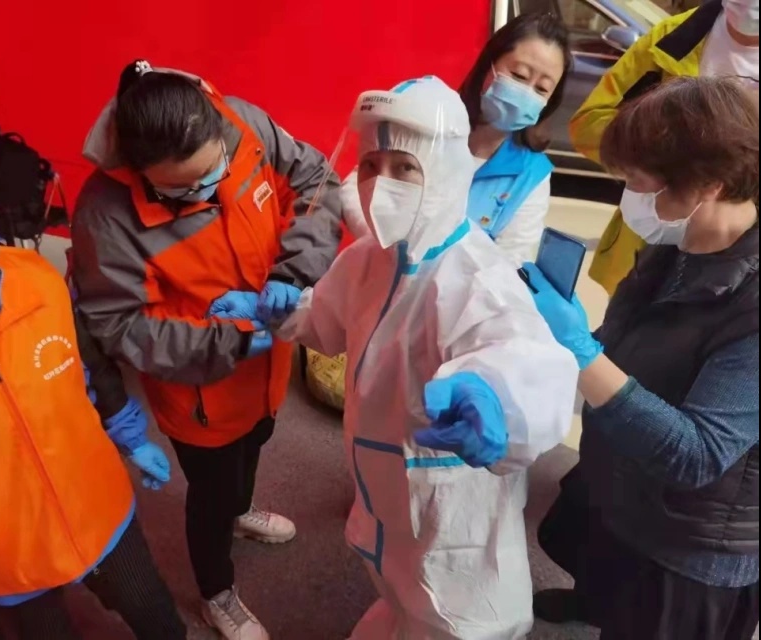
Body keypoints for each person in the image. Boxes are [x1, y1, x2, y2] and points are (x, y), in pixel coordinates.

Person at [272, 76, 578, 639]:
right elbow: (329, 322)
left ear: (445, 170)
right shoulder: (371, 258)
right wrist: (284, 310)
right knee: (395, 578)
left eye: (405, 167)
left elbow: (522, 355)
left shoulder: (476, 272)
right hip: (381, 478)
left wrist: (495, 398)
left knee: (457, 613)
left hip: (448, 496)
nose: (382, 183)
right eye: (371, 165)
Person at [71, 60, 342, 640]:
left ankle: (241, 511)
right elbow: (119, 325)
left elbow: (318, 180)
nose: (210, 189)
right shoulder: (104, 213)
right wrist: (231, 340)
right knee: (211, 492)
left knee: (258, 442)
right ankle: (216, 591)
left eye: (214, 170)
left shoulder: (242, 122)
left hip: (267, 366)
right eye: (184, 188)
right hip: (200, 390)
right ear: (139, 171)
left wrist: (294, 271)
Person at [0, 134, 187, 639]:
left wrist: (130, 434)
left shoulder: (33, 278)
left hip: (95, 501)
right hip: (2, 546)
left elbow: (87, 361)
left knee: (158, 619)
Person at [526, 77, 759, 640]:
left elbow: (696, 455)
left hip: (692, 547)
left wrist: (581, 351)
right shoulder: (678, 245)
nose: (627, 196)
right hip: (630, 488)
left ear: (709, 184)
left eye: (637, 182)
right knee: (611, 593)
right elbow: (627, 343)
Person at [340, 13, 571, 266]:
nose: (526, 92)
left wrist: (428, 267)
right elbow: (357, 183)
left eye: (541, 89)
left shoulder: (532, 175)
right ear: (489, 65)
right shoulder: (433, 118)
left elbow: (510, 262)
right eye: (519, 75)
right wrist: (383, 241)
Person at [573, 0, 760, 295]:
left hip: (739, 260)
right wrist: (665, 151)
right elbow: (589, 123)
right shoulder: (673, 38)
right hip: (652, 240)